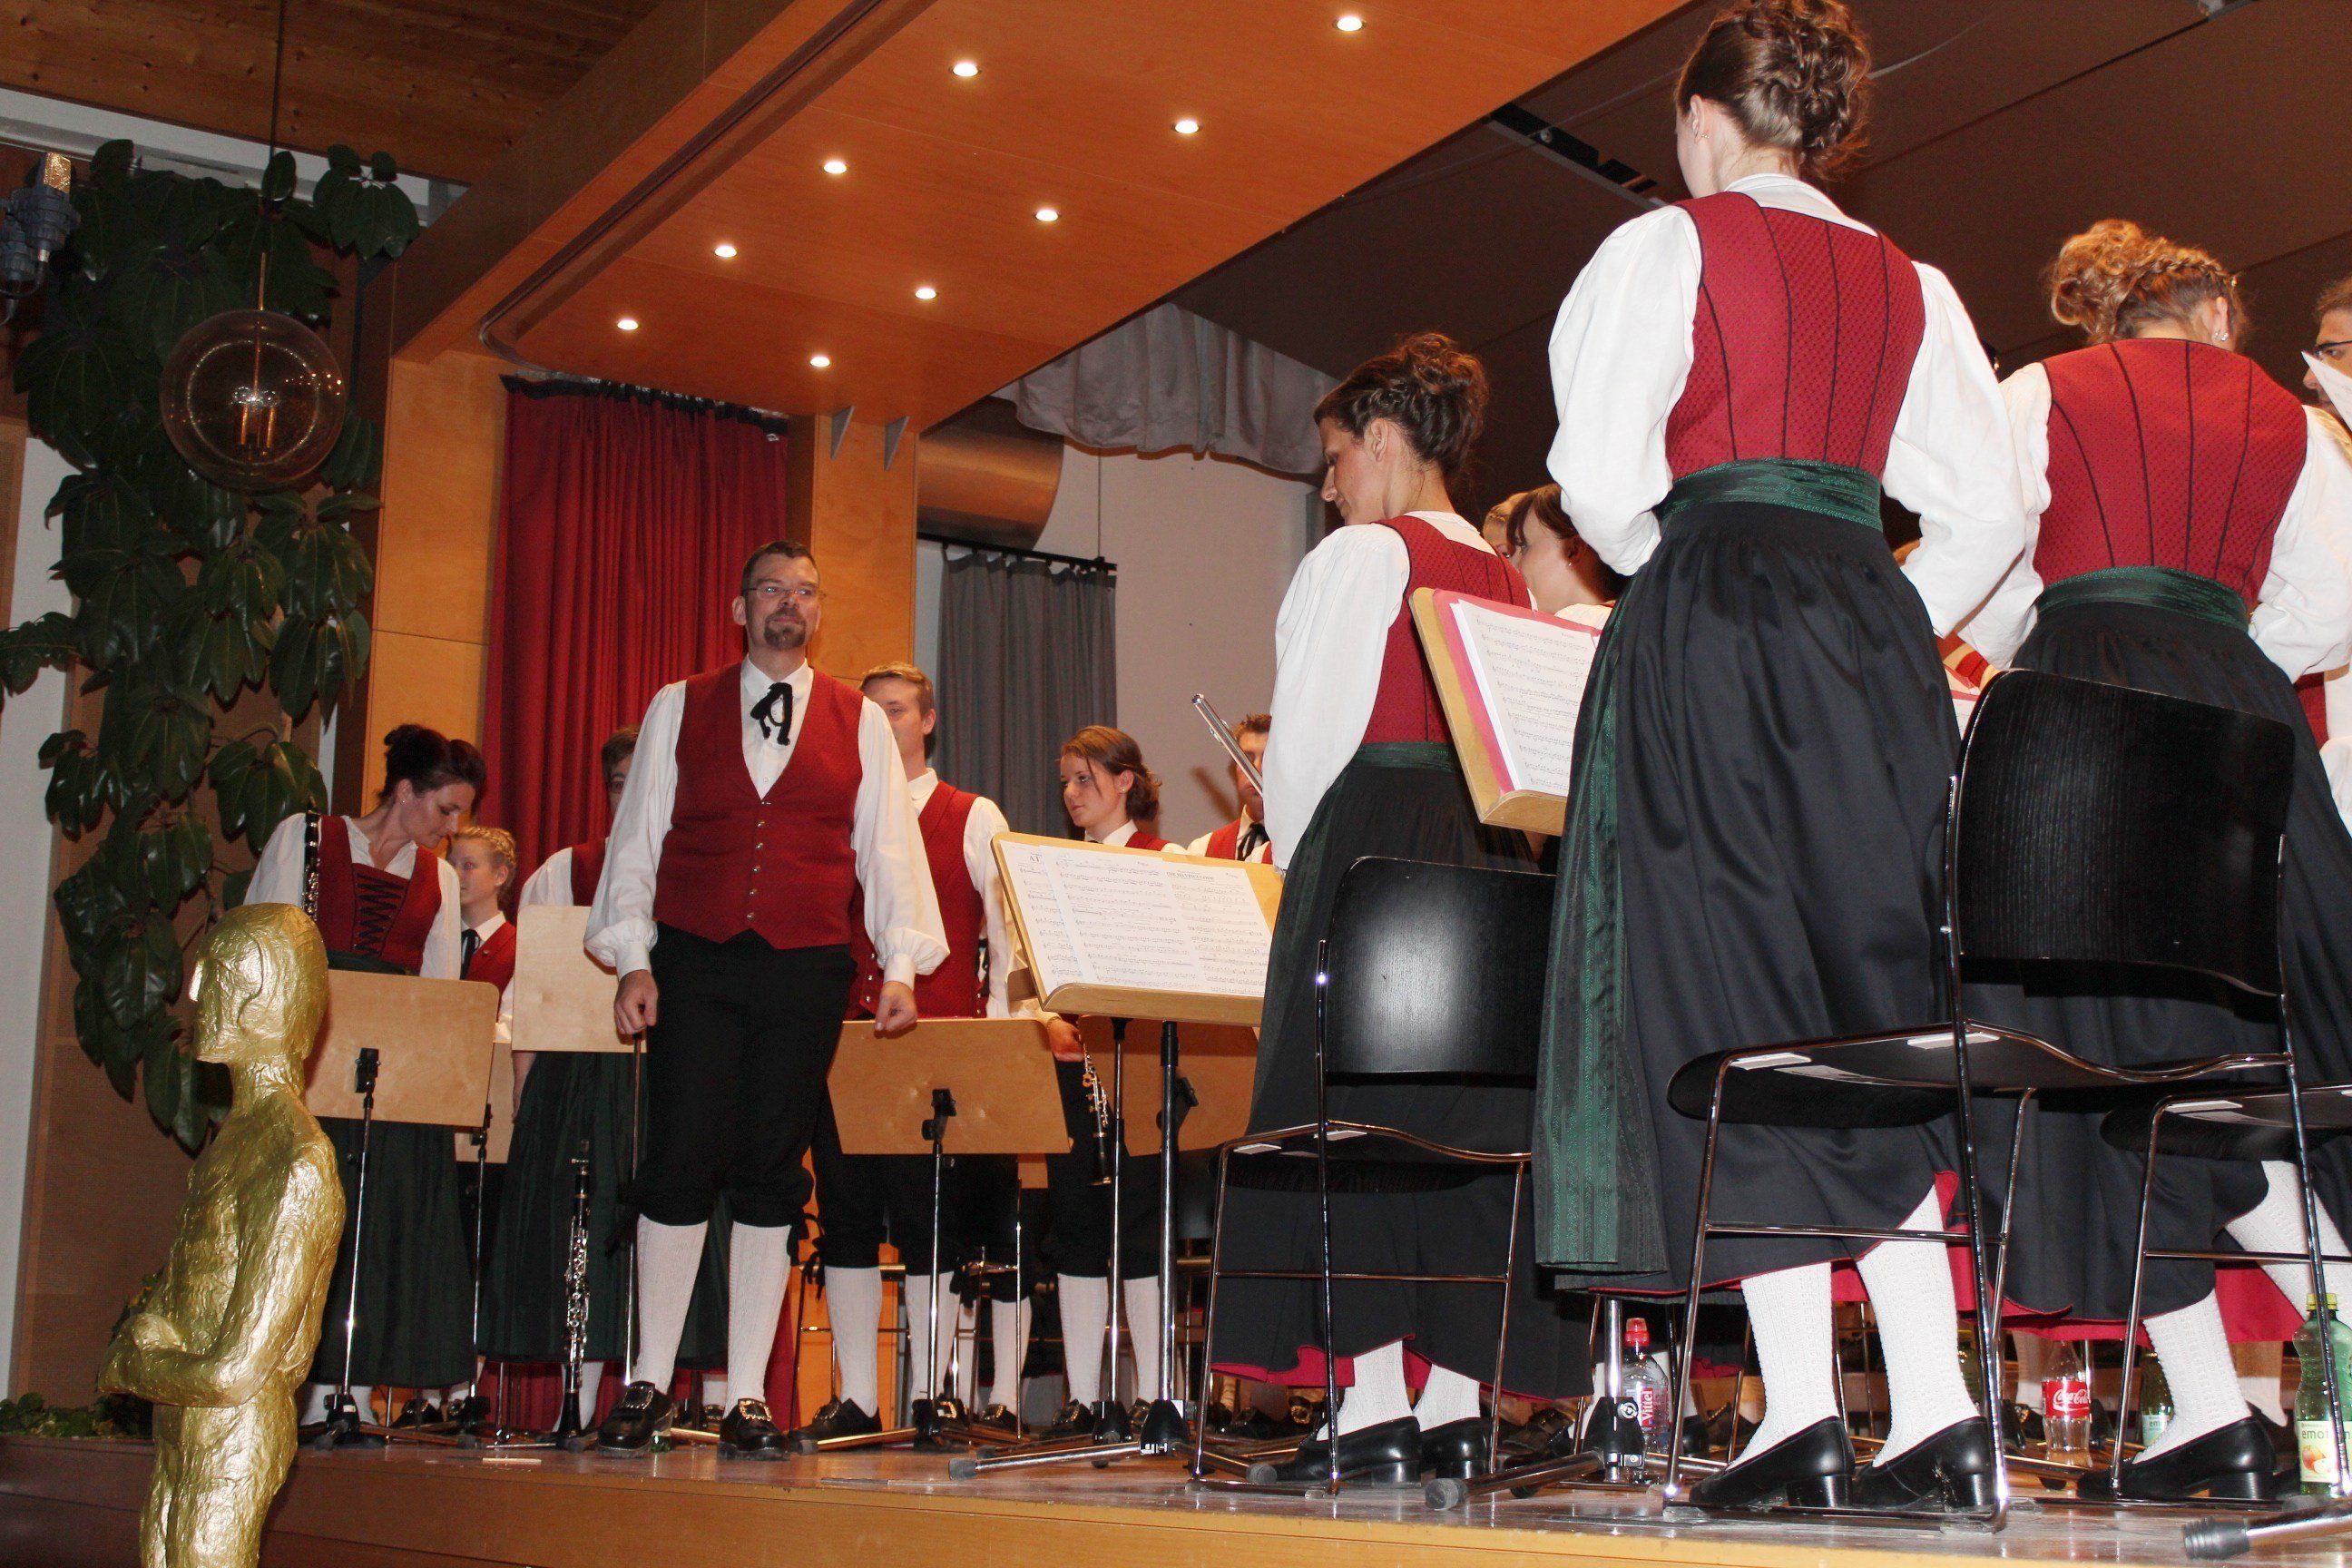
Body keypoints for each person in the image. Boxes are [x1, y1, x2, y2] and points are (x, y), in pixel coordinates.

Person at [1535, 0, 2027, 1512]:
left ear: (1700, 120)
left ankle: (1807, 1411)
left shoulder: (1661, 247)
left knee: (1729, 1003)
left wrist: (1684, 564)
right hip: (1869, 646)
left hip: (1712, 625)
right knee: (1868, 1005)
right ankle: (1929, 1408)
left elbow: (1598, 479)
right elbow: (1995, 508)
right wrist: (1882, 611)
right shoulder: (1913, 282)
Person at [1960, 220, 2352, 1503]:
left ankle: (2213, 1406)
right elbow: (2338, 598)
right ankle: (2226, 1407)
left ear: (2106, 317)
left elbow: (1990, 557)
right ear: (2220, 314)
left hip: (2081, 713)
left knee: (2098, 1065)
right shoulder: (2294, 421)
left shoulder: (2042, 389)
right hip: (2241, 716)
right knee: (2256, 1060)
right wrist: (2220, 643)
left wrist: (2053, 633)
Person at [1207, 332, 1587, 1489]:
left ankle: (1372, 1410)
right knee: (1466, 1135)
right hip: (1488, 855)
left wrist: (1296, 869)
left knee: (1351, 1126)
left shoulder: (1365, 554)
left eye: (1334, 459)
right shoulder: (1505, 572)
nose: (1330, 488)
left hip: (1374, 843)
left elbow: (1309, 745)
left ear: (1382, 440)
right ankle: (1461, 1408)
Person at [587, 541, 946, 1459]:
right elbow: (638, 839)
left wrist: (900, 968)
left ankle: (747, 1393)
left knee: (771, 1170)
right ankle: (649, 1381)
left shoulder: (859, 720)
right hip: (694, 959)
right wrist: (632, 960)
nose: (790, 603)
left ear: (818, 612)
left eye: (806, 592)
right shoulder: (678, 705)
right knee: (679, 1159)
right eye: (773, 589)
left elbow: (888, 849)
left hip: (804, 965)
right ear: (740, 607)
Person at [794, 662, 1025, 1444]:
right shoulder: (836, 812)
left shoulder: (971, 813)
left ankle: (933, 1392)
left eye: (896, 710)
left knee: (934, 1220)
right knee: (847, 1217)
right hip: (846, 1045)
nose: (883, 723)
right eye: (871, 711)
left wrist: (998, 1041)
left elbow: (1005, 935)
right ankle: (859, 1396)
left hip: (938, 1045)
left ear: (927, 721)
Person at [487, 730, 730, 1430]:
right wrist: (528, 1089)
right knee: (583, 1233)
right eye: (620, 782)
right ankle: (577, 1400)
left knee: (677, 1229)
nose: (632, 794)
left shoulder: (703, 871)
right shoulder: (564, 871)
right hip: (583, 1078)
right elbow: (532, 990)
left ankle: (669, 1394)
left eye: (643, 781)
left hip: (676, 1074)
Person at [245, 725, 483, 1432]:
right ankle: (294, 1388)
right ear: (405, 792)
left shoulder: (439, 879)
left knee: (379, 1231)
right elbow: (262, 946)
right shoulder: (306, 839)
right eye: (445, 809)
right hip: (311, 1062)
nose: (452, 827)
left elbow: (440, 991)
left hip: (392, 1074)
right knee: (310, 1225)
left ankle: (351, 1391)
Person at [98, 906, 341, 1568]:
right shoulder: (237, 1138)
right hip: (184, 1421)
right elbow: (187, 1294)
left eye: (223, 973)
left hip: (231, 1431)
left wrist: (133, 1364)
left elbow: (236, 1371)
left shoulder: (295, 1158)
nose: (197, 990)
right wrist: (152, 1326)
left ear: (271, 998)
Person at [1030, 724, 1171, 1434]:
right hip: (1072, 1069)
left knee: (1141, 1228)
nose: (1071, 793)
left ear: (1124, 782)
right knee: (1077, 1227)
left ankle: (1155, 1394)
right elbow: (1031, 973)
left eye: (1084, 778)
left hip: (1137, 1069)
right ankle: (1083, 1395)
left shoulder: (1165, 860)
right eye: (1065, 781)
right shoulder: (1051, 867)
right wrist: (1045, 1019)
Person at [1482, 484, 1617, 625]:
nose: (1510, 565)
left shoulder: (1587, 622)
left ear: (1574, 549)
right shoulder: (1623, 622)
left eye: (1523, 546)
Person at [1185, 713, 1272, 862]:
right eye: (1246, 759)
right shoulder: (1202, 850)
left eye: (1268, 758)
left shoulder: (1306, 843)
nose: (1256, 769)